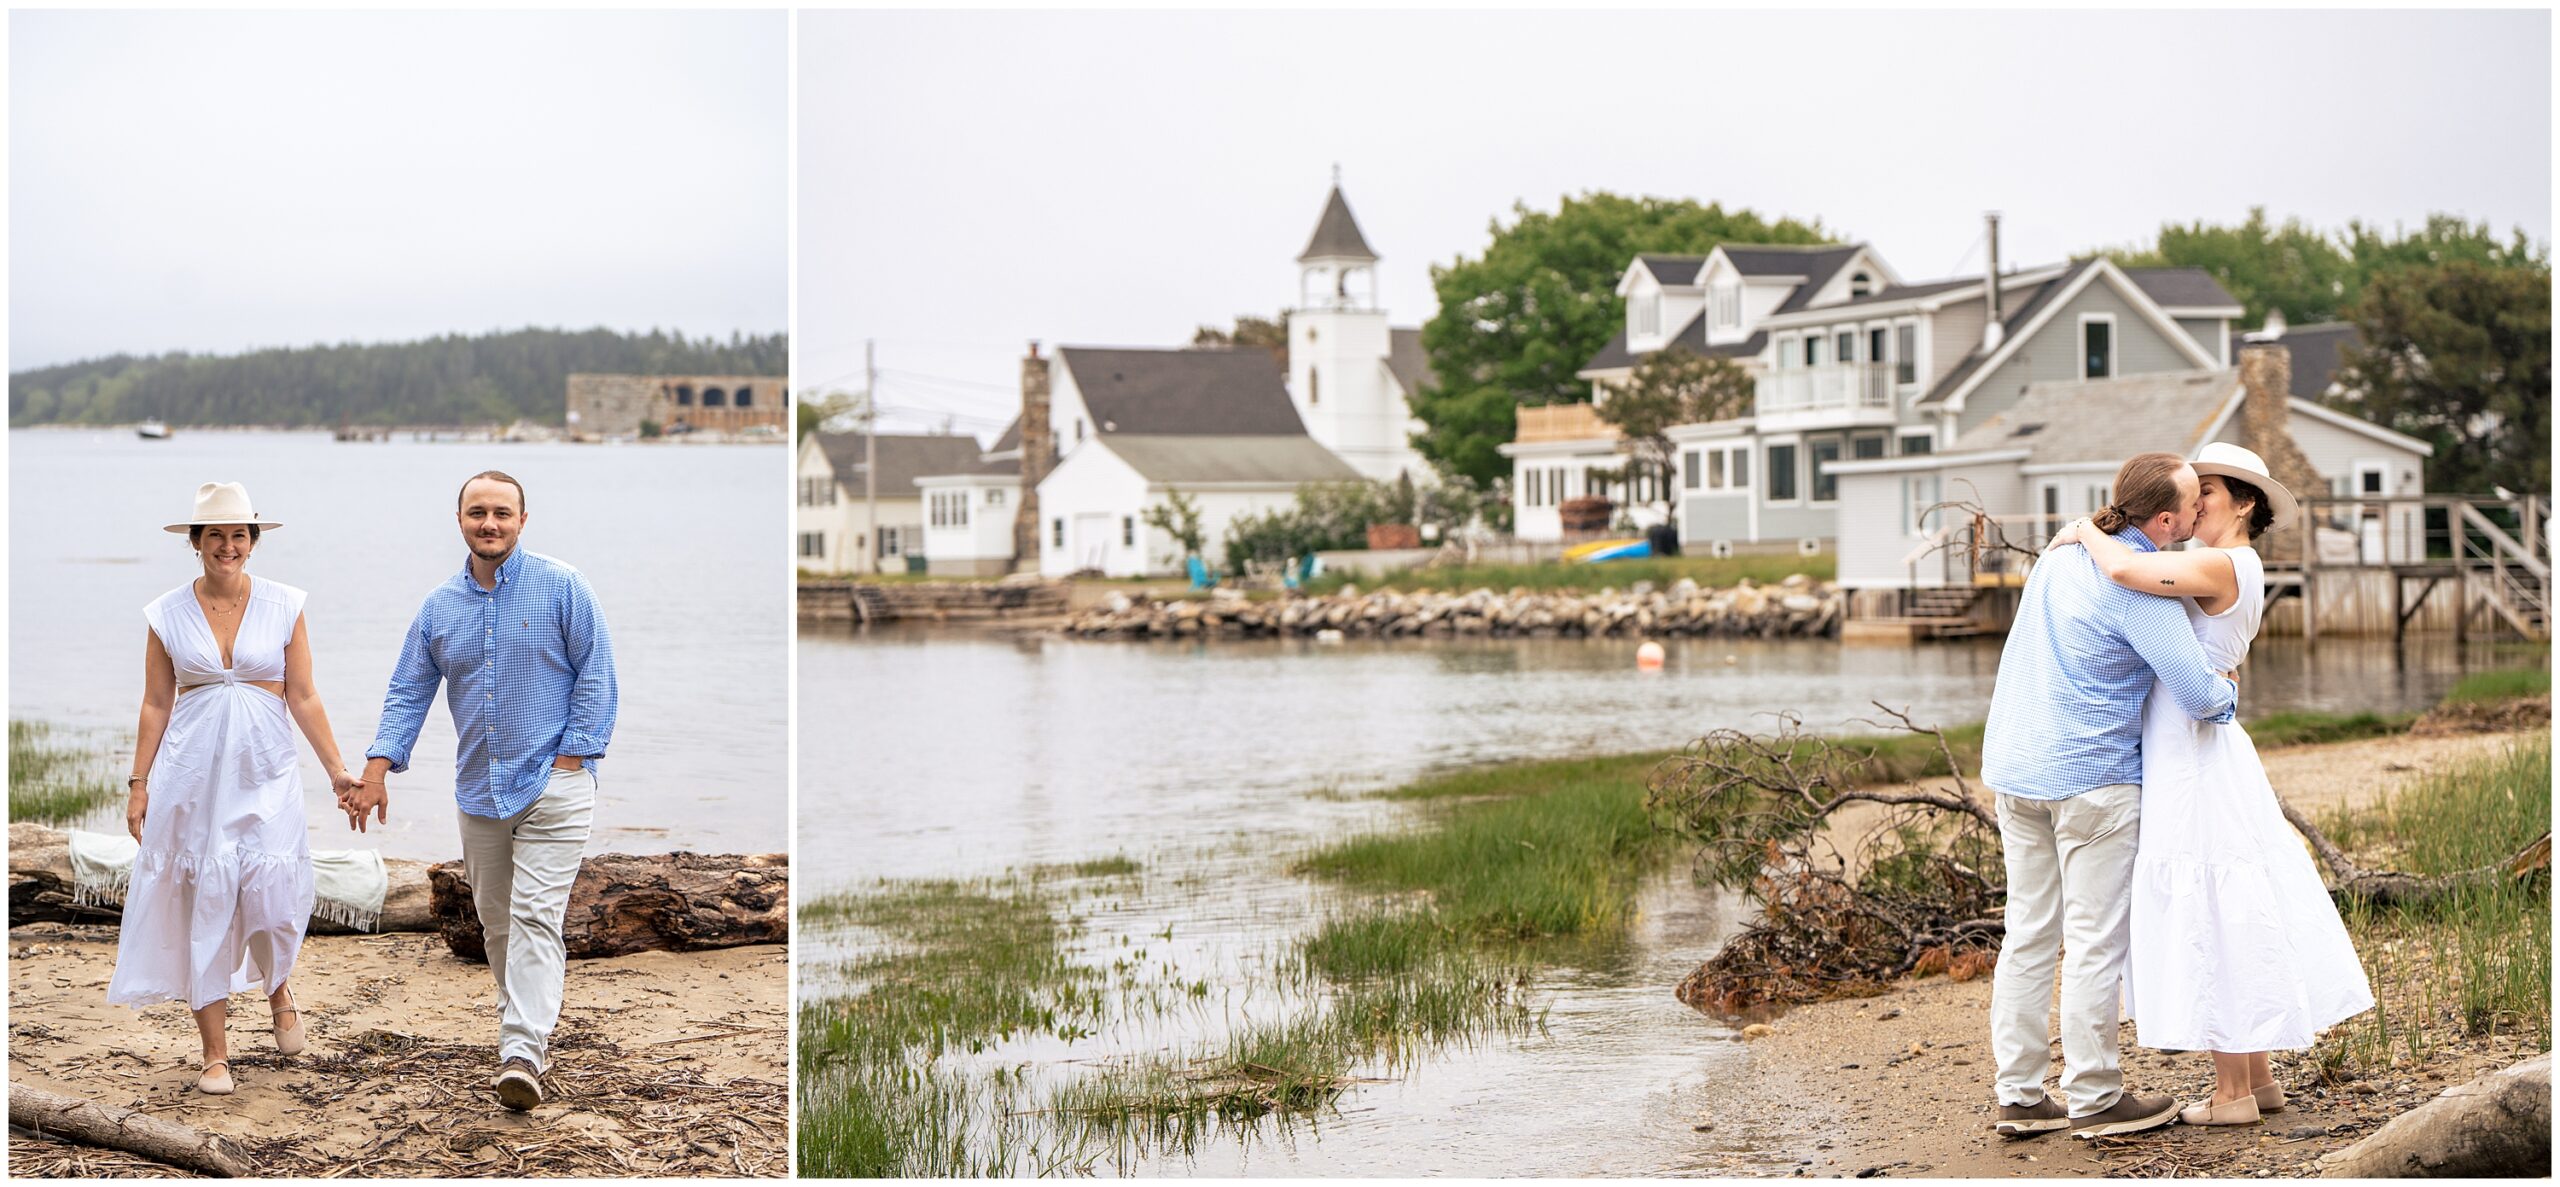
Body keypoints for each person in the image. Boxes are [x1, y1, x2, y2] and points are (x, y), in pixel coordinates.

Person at [2051, 443, 2374, 1126]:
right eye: (2192, 492)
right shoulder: (2234, 563)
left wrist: (2084, 528)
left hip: (2194, 748)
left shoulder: (2224, 562)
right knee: (2227, 890)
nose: (2196, 503)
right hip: (2203, 745)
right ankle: (2255, 1078)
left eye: (2210, 493)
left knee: (2212, 901)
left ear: (2245, 503)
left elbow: (2127, 567)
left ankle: (2231, 1094)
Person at [1978, 452, 2241, 1141]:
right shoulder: (2138, 586)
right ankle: (2094, 1094)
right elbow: (2194, 688)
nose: (2197, 514)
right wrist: (2231, 690)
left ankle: (2021, 1096)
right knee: (2094, 942)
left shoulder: (2058, 558)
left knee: (2029, 934)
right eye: (2190, 505)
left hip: (2015, 768)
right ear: (2164, 520)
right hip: (2092, 779)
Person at [343, 470, 616, 1112]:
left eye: (501, 513)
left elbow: (598, 677)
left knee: (535, 917)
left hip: (556, 782)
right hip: (478, 791)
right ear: (459, 519)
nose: (488, 523)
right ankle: (526, 1030)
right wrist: (376, 771)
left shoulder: (564, 587)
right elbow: (409, 690)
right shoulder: (440, 607)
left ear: (523, 520)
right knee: (496, 925)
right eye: (476, 513)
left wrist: (572, 759)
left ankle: (522, 1051)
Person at [109, 481, 363, 1095]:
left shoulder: (284, 604)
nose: (229, 546)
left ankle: (278, 987)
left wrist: (337, 771)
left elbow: (302, 695)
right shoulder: (165, 614)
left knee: (272, 898)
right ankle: (215, 1054)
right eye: (216, 535)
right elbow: (154, 702)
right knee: (205, 904)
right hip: (192, 778)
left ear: (253, 542)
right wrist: (138, 784)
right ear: (195, 543)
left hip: (266, 772)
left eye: (239, 535)